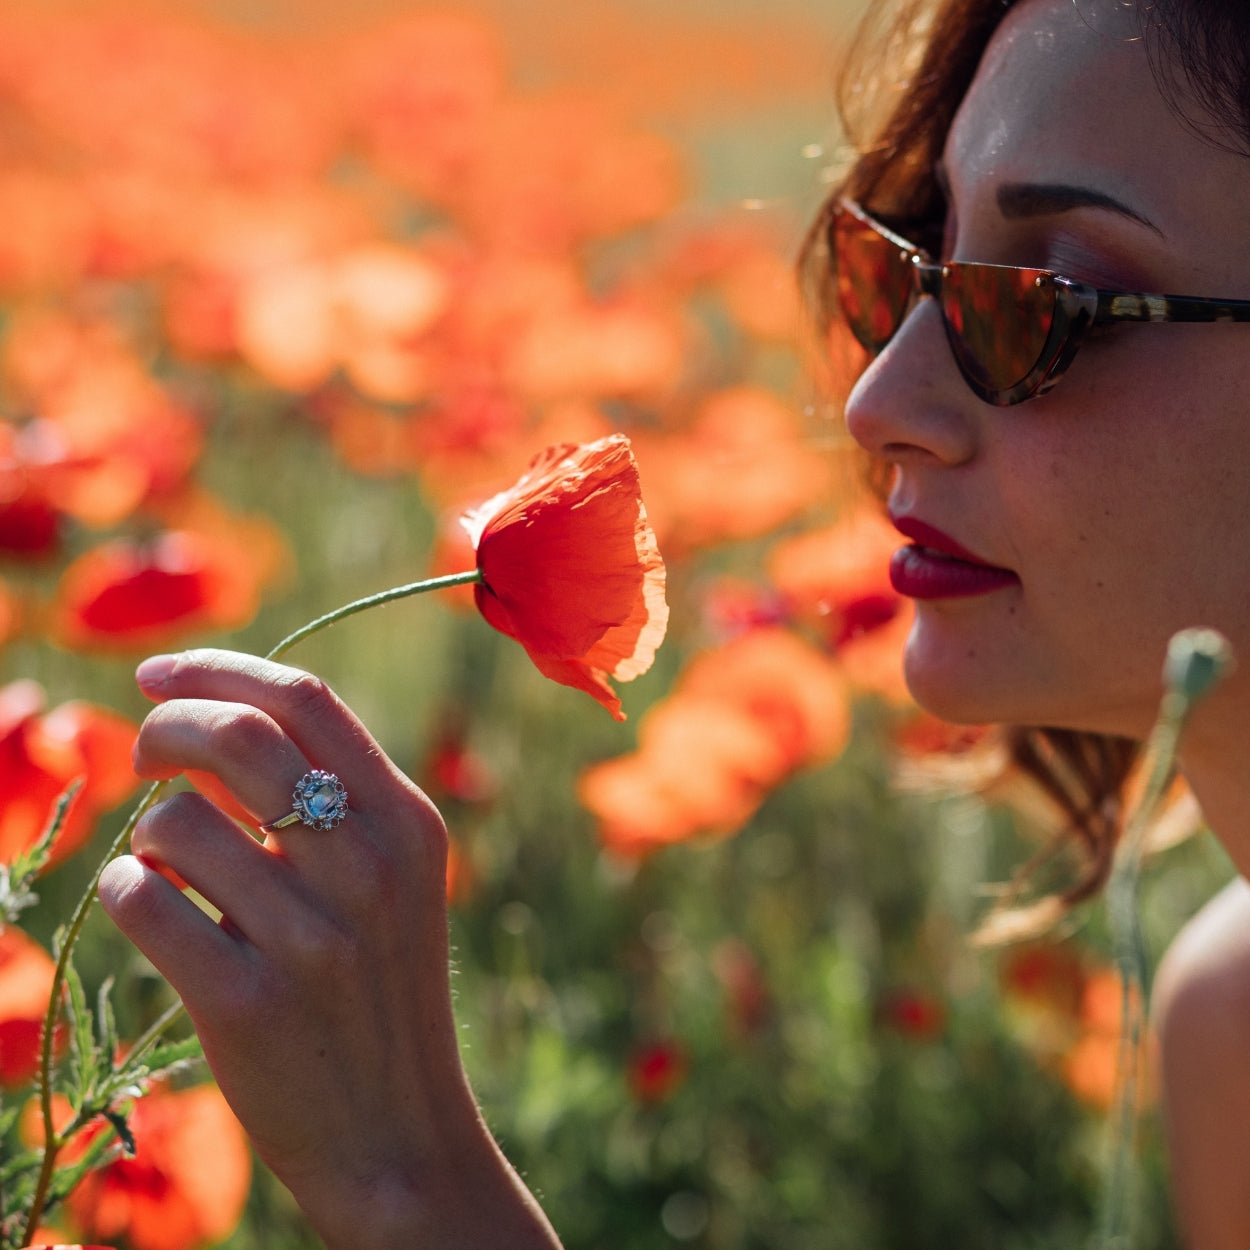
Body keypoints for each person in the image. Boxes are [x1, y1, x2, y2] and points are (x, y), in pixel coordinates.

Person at [97, 0, 1250, 1245]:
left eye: (1047, 296)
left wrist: (410, 1184)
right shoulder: (1222, 1021)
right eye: (905, 267)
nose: (876, 400)